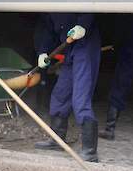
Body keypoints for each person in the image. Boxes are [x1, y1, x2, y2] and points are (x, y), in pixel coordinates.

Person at [34, 13, 101, 162]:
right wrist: (42, 51)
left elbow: (91, 6)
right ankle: (57, 139)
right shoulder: (49, 4)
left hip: (85, 47)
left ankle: (90, 151)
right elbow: (47, 29)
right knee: (60, 93)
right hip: (69, 49)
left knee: (80, 98)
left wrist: (83, 24)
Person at [99, 14, 133, 145]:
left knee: (119, 89)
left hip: (129, 54)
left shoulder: (130, 10)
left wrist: (115, 47)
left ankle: (110, 130)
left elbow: (120, 33)